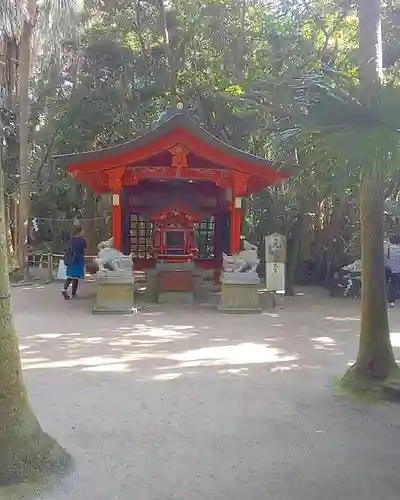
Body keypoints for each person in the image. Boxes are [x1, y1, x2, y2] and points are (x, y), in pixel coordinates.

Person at [62, 225, 87, 300]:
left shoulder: (70, 240)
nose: (83, 232)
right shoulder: (82, 241)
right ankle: (74, 293)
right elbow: (84, 249)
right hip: (79, 260)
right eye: (82, 230)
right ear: (79, 232)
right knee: (76, 277)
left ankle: (64, 289)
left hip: (71, 260)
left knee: (70, 276)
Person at [385, 234, 400, 307]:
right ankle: (392, 301)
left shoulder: (387, 248)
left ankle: (379, 298)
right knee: (394, 285)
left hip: (387, 268)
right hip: (396, 270)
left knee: (383, 283)